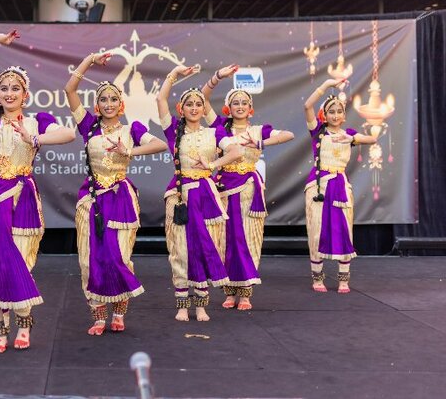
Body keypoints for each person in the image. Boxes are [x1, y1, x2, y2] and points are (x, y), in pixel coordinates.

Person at [0, 30, 76, 352]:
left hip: (22, 199)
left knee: (21, 261)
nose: (9, 92)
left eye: (16, 88)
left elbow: (68, 133)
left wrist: (37, 139)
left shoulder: (37, 121)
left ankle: (24, 324)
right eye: (4, 88)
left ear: (25, 94)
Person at [66, 51, 167, 334]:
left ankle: (119, 312)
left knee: (119, 256)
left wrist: (130, 150)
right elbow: (69, 89)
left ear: (120, 103)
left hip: (120, 198)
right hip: (92, 200)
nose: (108, 103)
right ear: (96, 105)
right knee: (90, 257)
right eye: (103, 99)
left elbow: (160, 145)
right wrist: (88, 61)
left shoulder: (131, 129)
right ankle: (98, 315)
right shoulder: (88, 127)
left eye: (113, 98)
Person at [201, 65, 294, 310]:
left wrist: (261, 142)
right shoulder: (220, 127)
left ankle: (245, 291)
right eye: (235, 103)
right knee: (225, 239)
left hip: (248, 190)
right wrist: (217, 77)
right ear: (228, 108)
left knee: (246, 239)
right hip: (223, 189)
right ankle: (229, 290)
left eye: (244, 102)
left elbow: (288, 135)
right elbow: (203, 98)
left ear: (250, 107)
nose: (240, 106)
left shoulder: (258, 129)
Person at [156, 65, 242, 321]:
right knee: (181, 249)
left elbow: (236, 152)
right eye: (189, 104)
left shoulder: (214, 132)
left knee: (206, 247)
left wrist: (213, 166)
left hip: (206, 195)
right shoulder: (173, 130)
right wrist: (174, 73)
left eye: (198, 104)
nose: (194, 108)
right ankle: (182, 304)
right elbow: (160, 98)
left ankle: (202, 304)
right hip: (180, 196)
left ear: (204, 109)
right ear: (181, 109)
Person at [303, 79, 377, 293]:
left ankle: (343, 279)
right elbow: (307, 106)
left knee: (343, 230)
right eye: (331, 112)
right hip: (319, 188)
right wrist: (326, 85)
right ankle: (317, 278)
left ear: (344, 115)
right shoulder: (317, 132)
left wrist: (352, 139)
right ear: (324, 115)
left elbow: (371, 138)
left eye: (339, 111)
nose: (335, 115)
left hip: (340, 186)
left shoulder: (349, 134)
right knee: (316, 230)